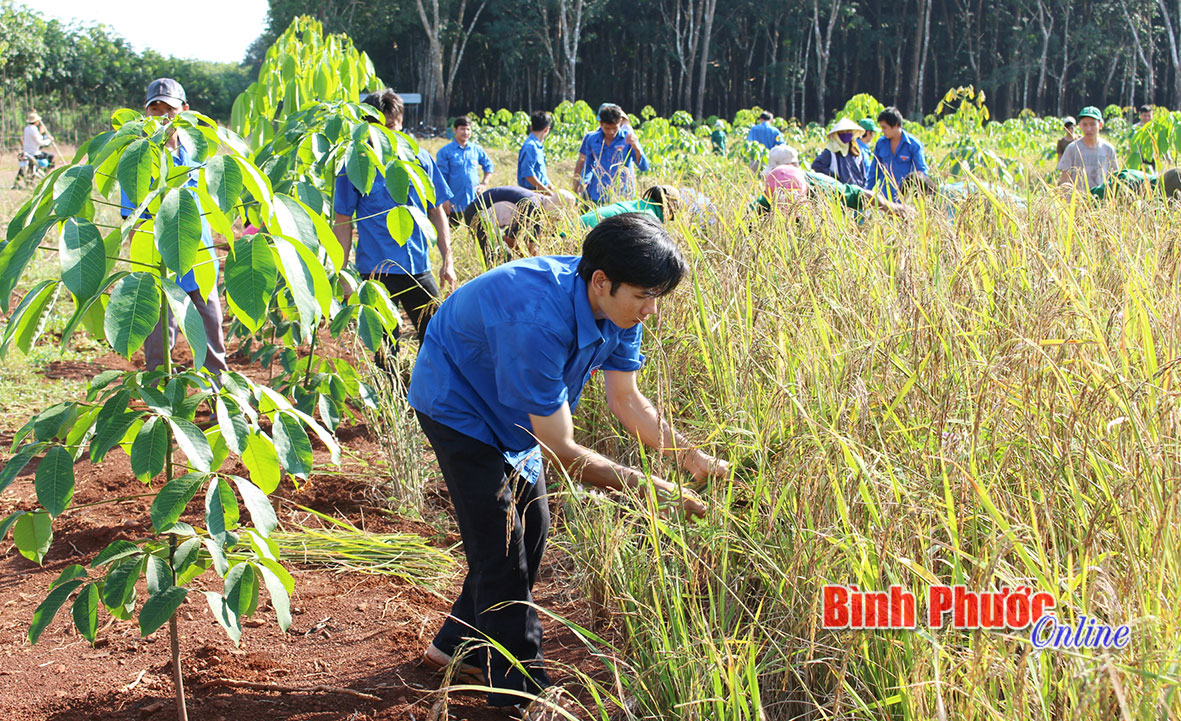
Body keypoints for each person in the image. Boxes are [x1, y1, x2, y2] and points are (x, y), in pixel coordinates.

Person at [408, 213, 727, 710]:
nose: (651, 310)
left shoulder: (620, 312)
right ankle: (521, 694)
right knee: (503, 544)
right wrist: (651, 489)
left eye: (656, 297)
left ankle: (455, 648)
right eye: (643, 295)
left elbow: (628, 400)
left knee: (532, 526)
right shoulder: (537, 318)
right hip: (459, 404)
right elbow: (562, 450)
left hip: (515, 412)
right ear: (601, 281)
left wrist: (688, 456)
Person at [334, 89, 456, 360]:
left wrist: (448, 260)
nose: (386, 135)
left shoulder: (419, 158)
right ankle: (392, 394)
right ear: (366, 126)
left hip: (417, 267)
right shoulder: (355, 164)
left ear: (401, 123)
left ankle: (428, 399)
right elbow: (342, 221)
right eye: (379, 128)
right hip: (377, 273)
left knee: (437, 335)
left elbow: (437, 211)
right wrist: (342, 274)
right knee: (384, 348)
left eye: (392, 127)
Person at [119, 79, 228, 377]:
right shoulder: (137, 160)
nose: (162, 115)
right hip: (157, 268)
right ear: (146, 113)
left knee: (212, 346)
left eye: (169, 109)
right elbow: (132, 222)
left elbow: (216, 207)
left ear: (185, 111)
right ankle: (159, 412)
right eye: (155, 108)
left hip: (200, 263)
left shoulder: (199, 156)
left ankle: (220, 404)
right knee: (157, 353)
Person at [753, 145, 908, 216]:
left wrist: (893, 208)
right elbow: (747, 225)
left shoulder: (823, 187)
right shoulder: (767, 197)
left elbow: (861, 195)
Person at [573, 104, 649, 203]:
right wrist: (582, 185)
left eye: (615, 128)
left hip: (622, 195)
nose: (611, 132)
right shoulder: (592, 139)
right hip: (597, 194)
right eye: (607, 129)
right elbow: (588, 166)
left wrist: (637, 148)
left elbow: (644, 167)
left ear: (620, 122)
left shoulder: (628, 138)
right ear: (600, 123)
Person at [865, 106, 929, 201]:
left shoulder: (913, 145)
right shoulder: (881, 144)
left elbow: (921, 173)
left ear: (895, 125)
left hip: (905, 199)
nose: (882, 130)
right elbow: (874, 172)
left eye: (884, 127)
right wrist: (866, 193)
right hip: (885, 200)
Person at [437, 115, 494, 218]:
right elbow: (440, 177)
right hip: (453, 203)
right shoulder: (445, 151)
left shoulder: (476, 149)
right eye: (462, 129)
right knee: (452, 232)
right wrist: (444, 199)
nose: (466, 132)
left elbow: (489, 166)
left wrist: (484, 184)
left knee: (475, 231)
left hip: (473, 201)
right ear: (455, 130)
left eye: (468, 129)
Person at [1057, 106, 1118, 191]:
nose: (1089, 129)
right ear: (1080, 125)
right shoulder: (1072, 149)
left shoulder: (1108, 149)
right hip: (1078, 200)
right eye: (1085, 124)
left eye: (1093, 124)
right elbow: (1064, 179)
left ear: (1100, 125)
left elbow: (1115, 177)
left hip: (1102, 200)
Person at [579, 185, 681, 227]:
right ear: (669, 209)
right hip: (587, 230)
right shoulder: (649, 218)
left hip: (576, 224)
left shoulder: (640, 204)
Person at [811, 117, 866, 187]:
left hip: (857, 190)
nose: (846, 134)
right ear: (837, 134)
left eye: (848, 131)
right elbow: (817, 166)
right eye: (842, 132)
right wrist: (835, 178)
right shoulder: (831, 151)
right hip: (840, 191)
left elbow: (862, 174)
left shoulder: (855, 150)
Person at [518, 111, 554, 193]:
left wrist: (549, 185)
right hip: (531, 194)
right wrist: (547, 191)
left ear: (531, 127)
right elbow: (528, 175)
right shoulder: (530, 146)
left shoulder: (538, 146)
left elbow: (540, 173)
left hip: (540, 191)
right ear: (547, 129)